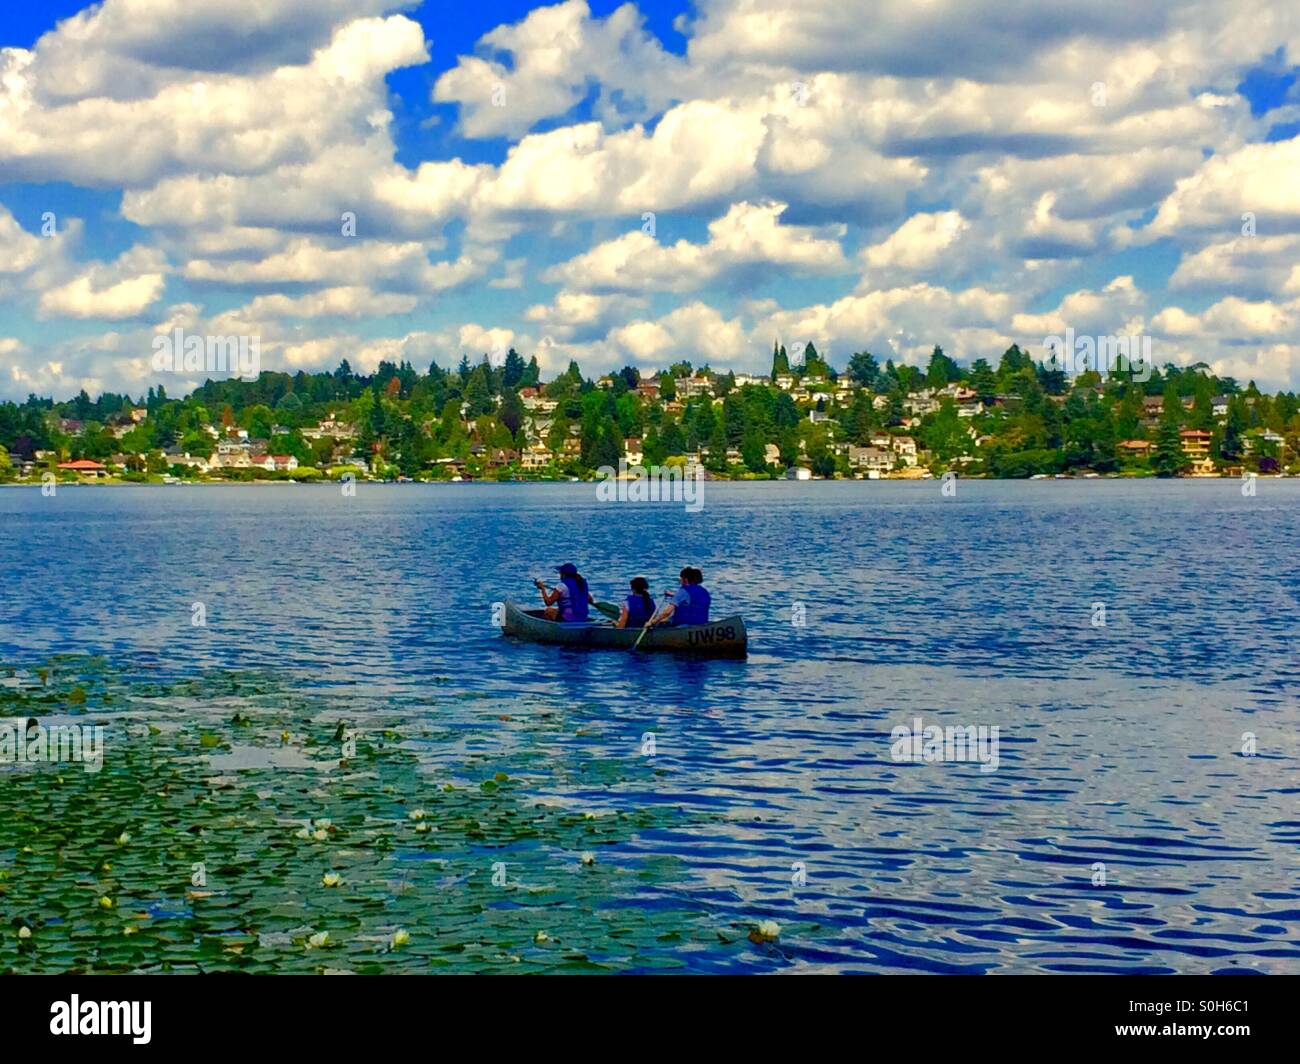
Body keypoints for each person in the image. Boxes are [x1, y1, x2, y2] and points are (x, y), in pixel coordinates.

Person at [645, 567, 711, 629]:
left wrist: (652, 622)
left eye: (681, 578)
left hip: (685, 626)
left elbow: (667, 612)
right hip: (702, 624)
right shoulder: (705, 591)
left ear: (685, 579)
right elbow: (692, 599)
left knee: (662, 621)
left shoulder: (682, 591)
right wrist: (673, 595)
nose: (680, 581)